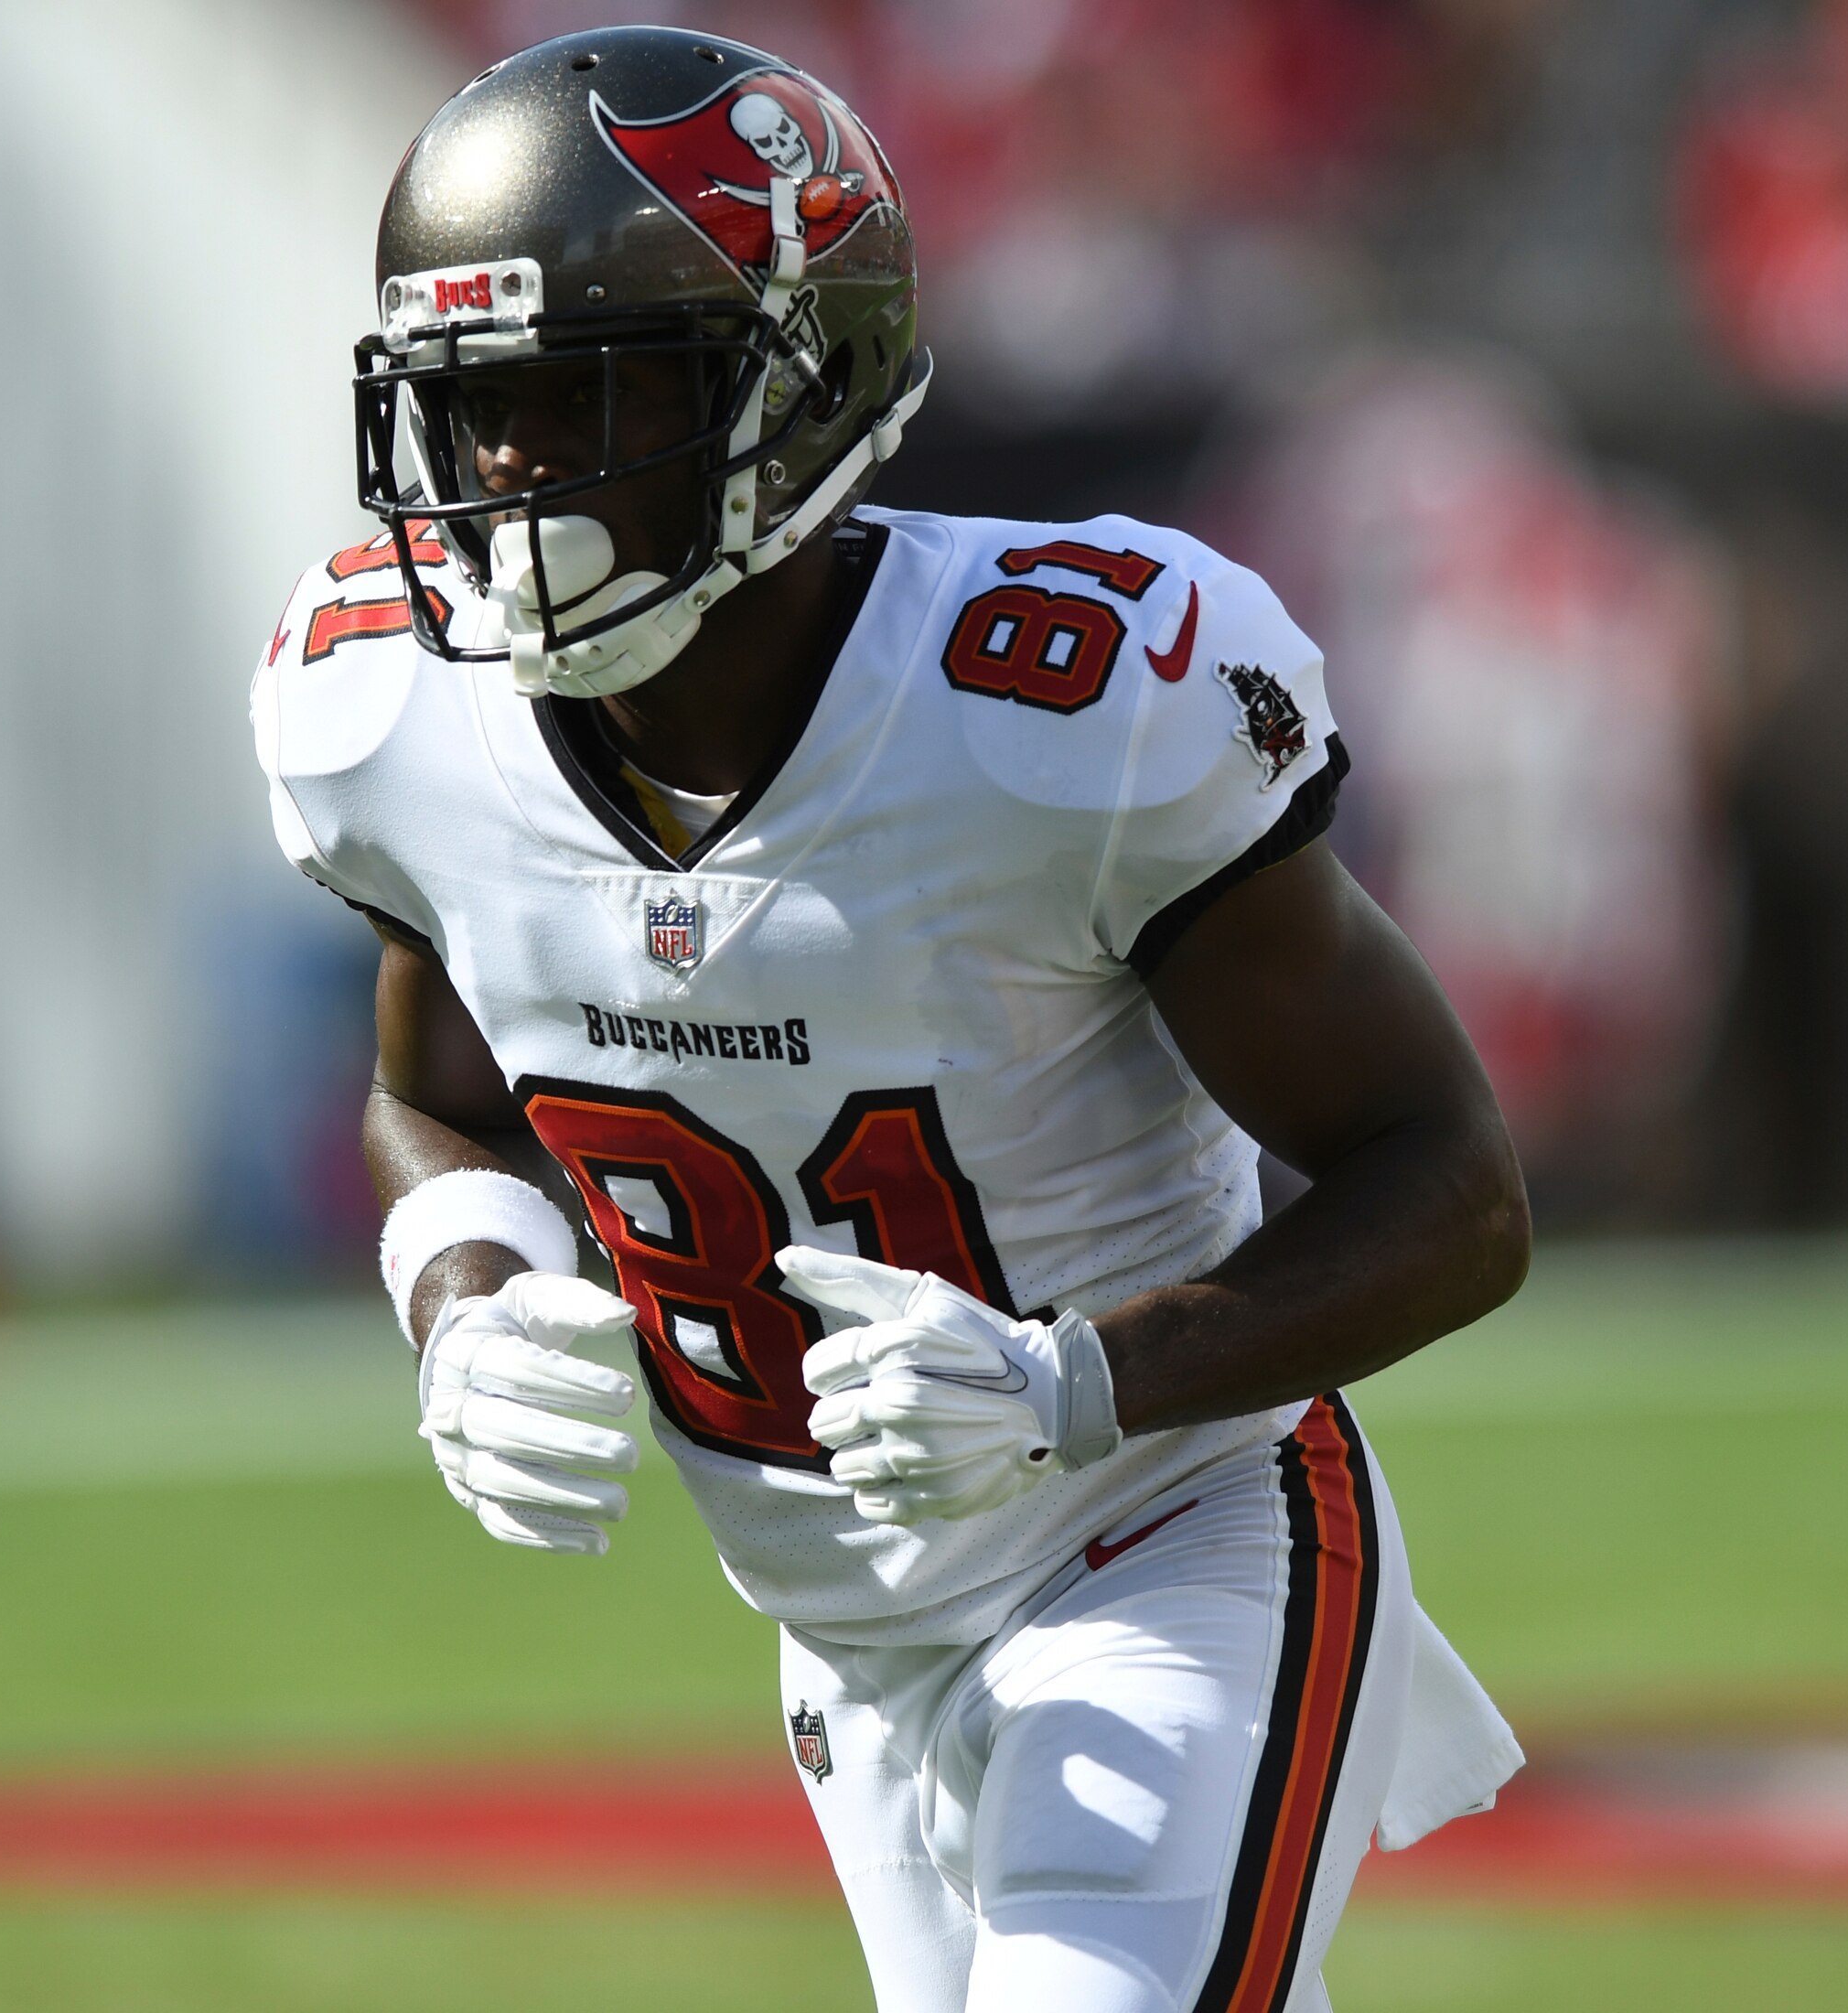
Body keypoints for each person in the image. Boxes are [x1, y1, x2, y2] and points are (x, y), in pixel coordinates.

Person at [251, 30, 1531, 2012]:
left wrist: (1071, 1383)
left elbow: (1451, 1188)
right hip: (841, 1634)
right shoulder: (394, 723)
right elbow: (438, 1101)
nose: (512, 470)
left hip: (1173, 1533)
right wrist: (468, 1294)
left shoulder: (1062, 713)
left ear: (792, 383)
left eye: (591, 396)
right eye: (479, 404)